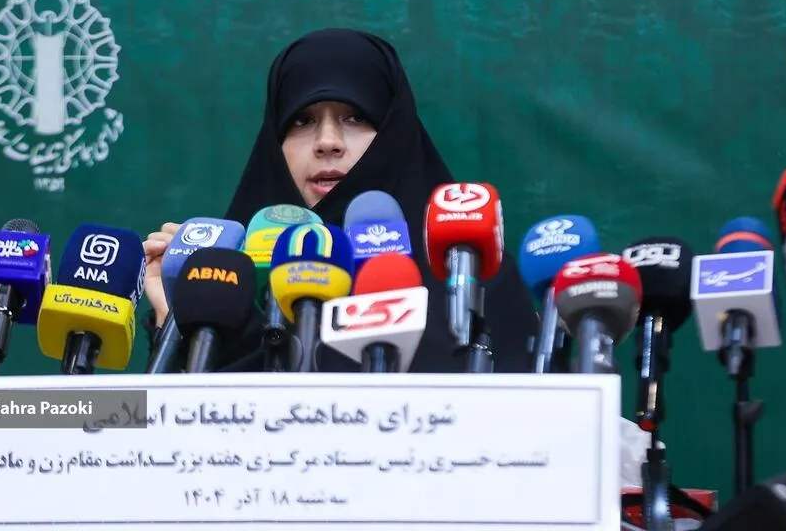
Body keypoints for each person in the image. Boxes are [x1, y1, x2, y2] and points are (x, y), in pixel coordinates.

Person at [142, 28, 539, 372]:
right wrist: (177, 319)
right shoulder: (225, 289)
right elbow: (133, 422)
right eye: (302, 120)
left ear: (394, 134)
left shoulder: (475, 282)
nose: (327, 142)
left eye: (355, 117)